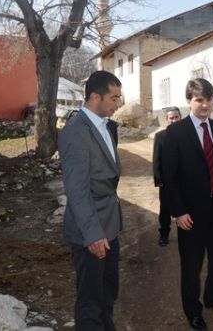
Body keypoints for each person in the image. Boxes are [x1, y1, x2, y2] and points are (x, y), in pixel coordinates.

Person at [162, 78, 213, 330]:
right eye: (200, 100)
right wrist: (178, 212)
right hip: (191, 213)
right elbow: (169, 177)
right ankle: (193, 311)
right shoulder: (175, 133)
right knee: (192, 265)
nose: (205, 105)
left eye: (209, 99)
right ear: (189, 101)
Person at [58, 70, 123, 331]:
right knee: (90, 302)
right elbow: (77, 190)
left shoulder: (107, 127)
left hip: (110, 225)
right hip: (91, 231)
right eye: (114, 98)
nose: (119, 103)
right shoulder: (76, 132)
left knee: (108, 292)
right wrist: (93, 234)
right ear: (95, 97)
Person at [152, 106, 182, 247]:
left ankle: (186, 235)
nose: (174, 120)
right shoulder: (160, 136)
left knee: (187, 208)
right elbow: (156, 159)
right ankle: (164, 234)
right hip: (167, 182)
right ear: (167, 120)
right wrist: (159, 180)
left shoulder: (188, 135)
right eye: (171, 118)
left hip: (186, 181)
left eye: (176, 117)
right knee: (165, 210)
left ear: (180, 117)